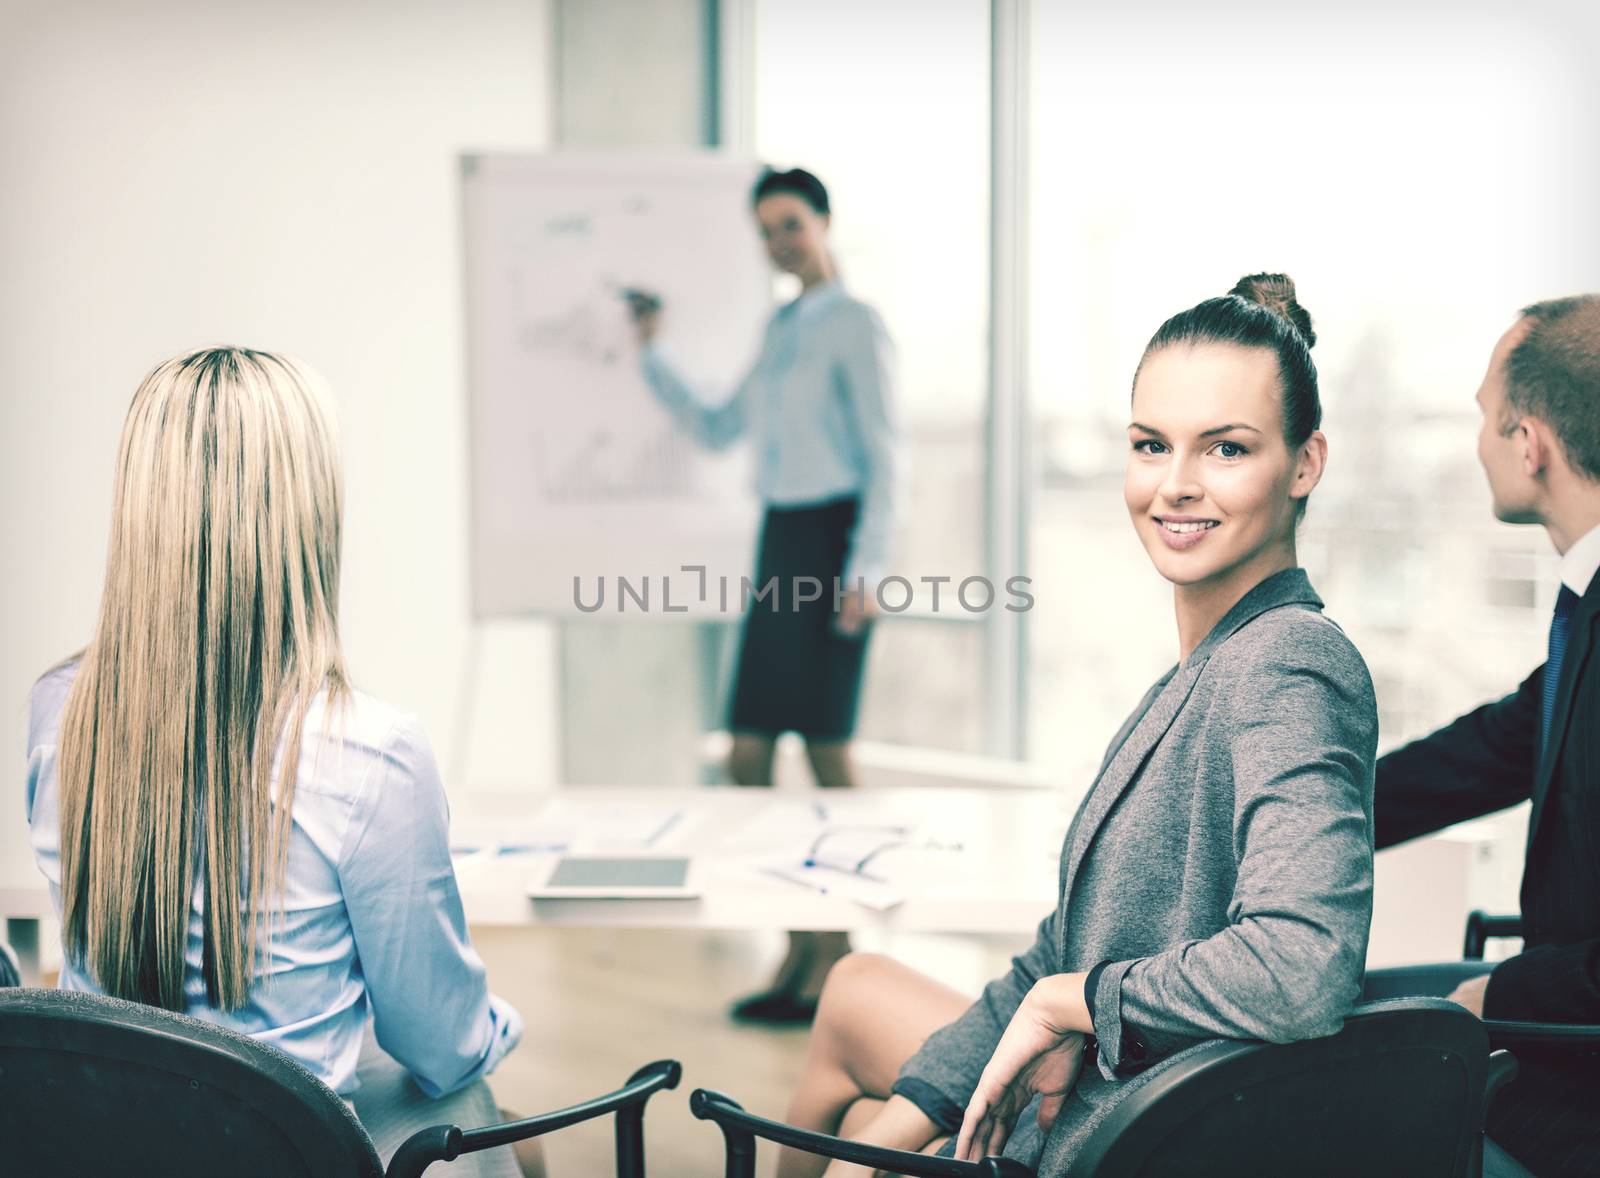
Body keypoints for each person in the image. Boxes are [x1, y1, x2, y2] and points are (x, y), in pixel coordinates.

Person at [774, 275, 1378, 1176]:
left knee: (855, 1041)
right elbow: (1068, 947)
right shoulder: (1204, 668)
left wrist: (1083, 1003)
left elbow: (1303, 964)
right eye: (1151, 445)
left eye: (1225, 449)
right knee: (857, 1013)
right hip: (1111, 1092)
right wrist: (900, 1130)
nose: (1175, 486)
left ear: (1304, 464)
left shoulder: (1288, 663)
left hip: (1136, 1130)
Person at [25, 348, 539, 1178]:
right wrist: (497, 1025)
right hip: (282, 1152)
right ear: (307, 511)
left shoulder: (58, 710)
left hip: (101, 1136)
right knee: (482, 1110)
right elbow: (440, 1045)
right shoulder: (372, 753)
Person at [626, 166, 902, 1023]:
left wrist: (865, 571)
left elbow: (887, 454)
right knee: (747, 752)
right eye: (767, 229)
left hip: (834, 540)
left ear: (823, 222)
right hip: (782, 540)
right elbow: (718, 426)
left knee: (824, 752)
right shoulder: (782, 327)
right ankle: (805, 942)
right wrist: (651, 350)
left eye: (791, 224)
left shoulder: (855, 324)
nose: (779, 241)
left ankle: (840, 951)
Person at [1367, 295, 1600, 1178]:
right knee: (1353, 1015)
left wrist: (1498, 992)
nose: (1476, 444)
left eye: (1483, 419)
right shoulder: (1589, 610)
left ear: (1530, 442)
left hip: (1576, 1098)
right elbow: (1500, 745)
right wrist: (1315, 813)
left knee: (1304, 1086)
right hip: (1560, 1033)